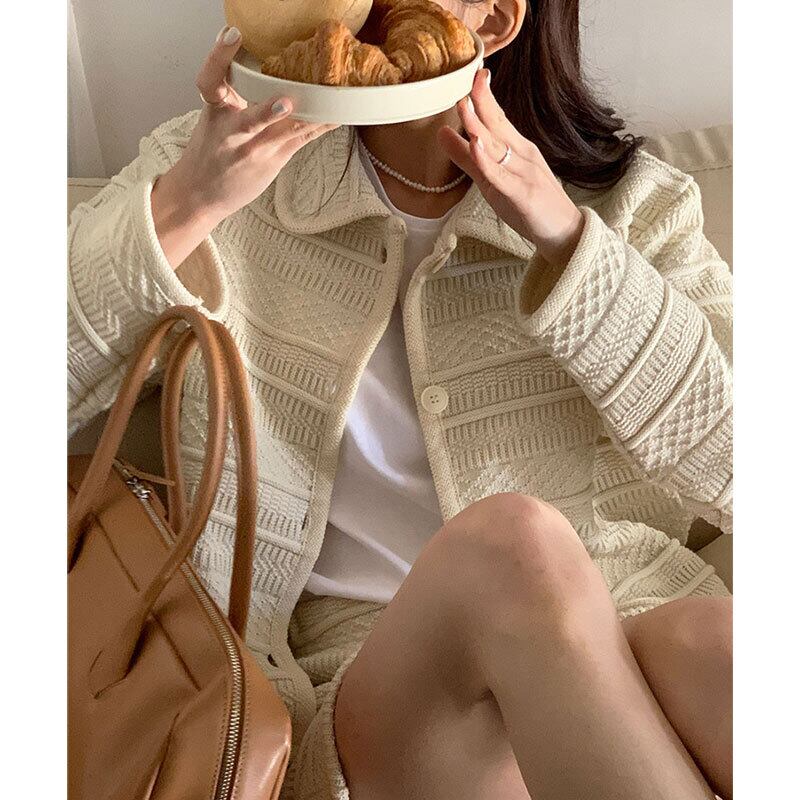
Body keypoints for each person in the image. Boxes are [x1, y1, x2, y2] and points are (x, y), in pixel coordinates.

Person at [67, 1, 733, 798]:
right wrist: (188, 201)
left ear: (494, 20)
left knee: (718, 642)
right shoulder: (217, 166)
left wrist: (567, 242)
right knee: (511, 549)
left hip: (619, 622)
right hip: (372, 689)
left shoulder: (632, 206)